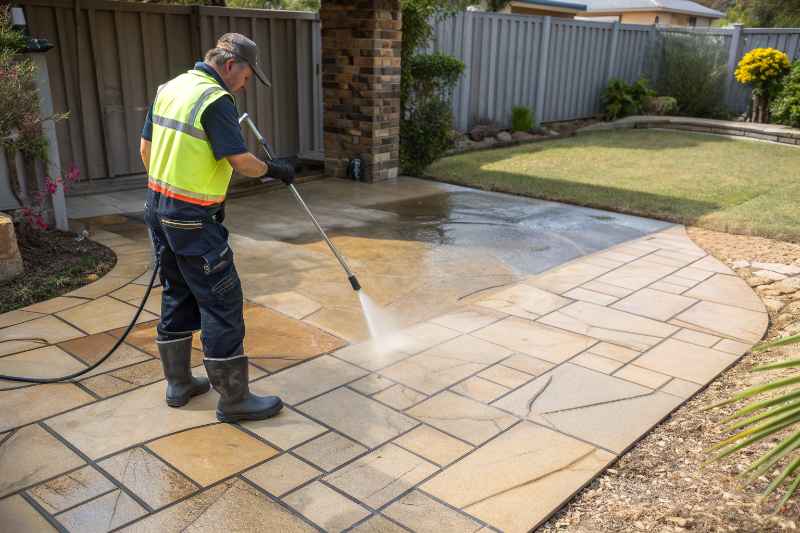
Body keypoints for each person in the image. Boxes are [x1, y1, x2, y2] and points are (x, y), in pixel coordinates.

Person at [139, 33, 294, 423]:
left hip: (157, 211)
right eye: (246, 77)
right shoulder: (215, 98)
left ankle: (179, 383)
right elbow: (240, 160)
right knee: (221, 301)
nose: (245, 86)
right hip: (190, 219)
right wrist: (274, 169)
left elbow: (146, 150)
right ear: (229, 66)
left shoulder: (170, 87)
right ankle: (235, 399)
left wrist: (175, 192)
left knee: (177, 291)